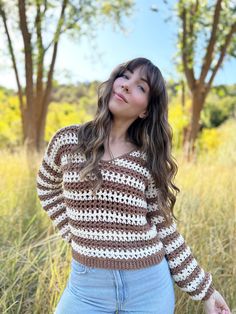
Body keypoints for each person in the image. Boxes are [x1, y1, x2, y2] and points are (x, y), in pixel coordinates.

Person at [36, 57, 231, 314]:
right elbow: (46, 188)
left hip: (148, 287)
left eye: (141, 86)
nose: (127, 85)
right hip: (87, 288)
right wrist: (73, 234)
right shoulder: (68, 141)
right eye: (125, 76)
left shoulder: (147, 160)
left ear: (146, 110)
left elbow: (165, 228)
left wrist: (206, 292)